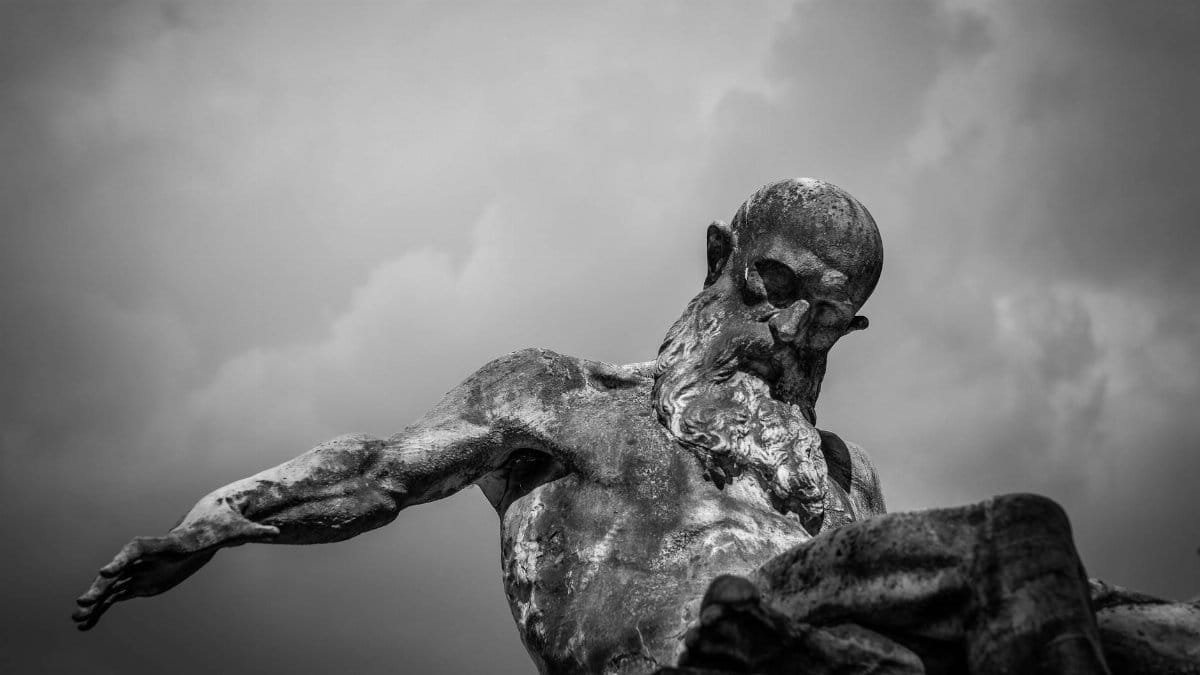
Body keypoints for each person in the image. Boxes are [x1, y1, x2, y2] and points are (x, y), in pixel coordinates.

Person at [75, 179, 1192, 674]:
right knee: (1021, 537)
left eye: (827, 318)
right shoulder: (562, 397)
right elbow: (373, 474)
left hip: (828, 648)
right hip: (706, 652)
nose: (791, 329)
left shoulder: (844, 478)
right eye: (774, 286)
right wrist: (212, 522)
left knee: (1123, 626)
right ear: (719, 260)